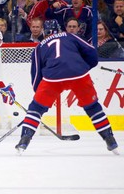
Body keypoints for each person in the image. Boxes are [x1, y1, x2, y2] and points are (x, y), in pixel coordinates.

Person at [15, 19, 119, 155]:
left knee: (36, 109)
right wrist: (84, 68)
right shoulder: (70, 36)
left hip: (52, 77)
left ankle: (24, 140)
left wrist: (39, 97)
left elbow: (36, 75)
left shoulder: (39, 47)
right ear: (58, 29)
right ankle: (110, 139)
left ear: (44, 31)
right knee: (93, 107)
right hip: (79, 75)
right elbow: (92, 52)